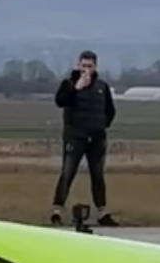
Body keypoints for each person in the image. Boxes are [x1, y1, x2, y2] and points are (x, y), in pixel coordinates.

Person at [50, 50, 118, 227]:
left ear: (95, 67)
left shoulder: (102, 87)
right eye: (83, 66)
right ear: (78, 66)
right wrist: (76, 88)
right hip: (75, 137)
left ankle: (103, 213)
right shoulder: (69, 84)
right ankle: (57, 210)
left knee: (98, 175)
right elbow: (60, 101)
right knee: (67, 172)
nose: (86, 69)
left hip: (96, 137)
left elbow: (110, 110)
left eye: (90, 66)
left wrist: (102, 125)